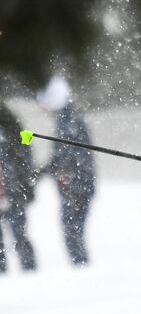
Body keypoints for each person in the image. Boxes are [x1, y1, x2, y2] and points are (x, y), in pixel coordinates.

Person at [37, 77, 96, 266]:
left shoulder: (69, 121)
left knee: (72, 231)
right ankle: (81, 267)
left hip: (76, 185)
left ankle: (82, 270)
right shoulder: (68, 118)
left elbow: (68, 155)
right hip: (75, 184)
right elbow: (63, 155)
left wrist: (75, 185)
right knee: (73, 231)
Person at [0, 103, 37, 272]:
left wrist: (25, 181)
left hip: (13, 188)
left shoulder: (8, 119)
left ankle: (30, 273)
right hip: (11, 185)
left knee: (20, 234)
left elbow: (25, 147)